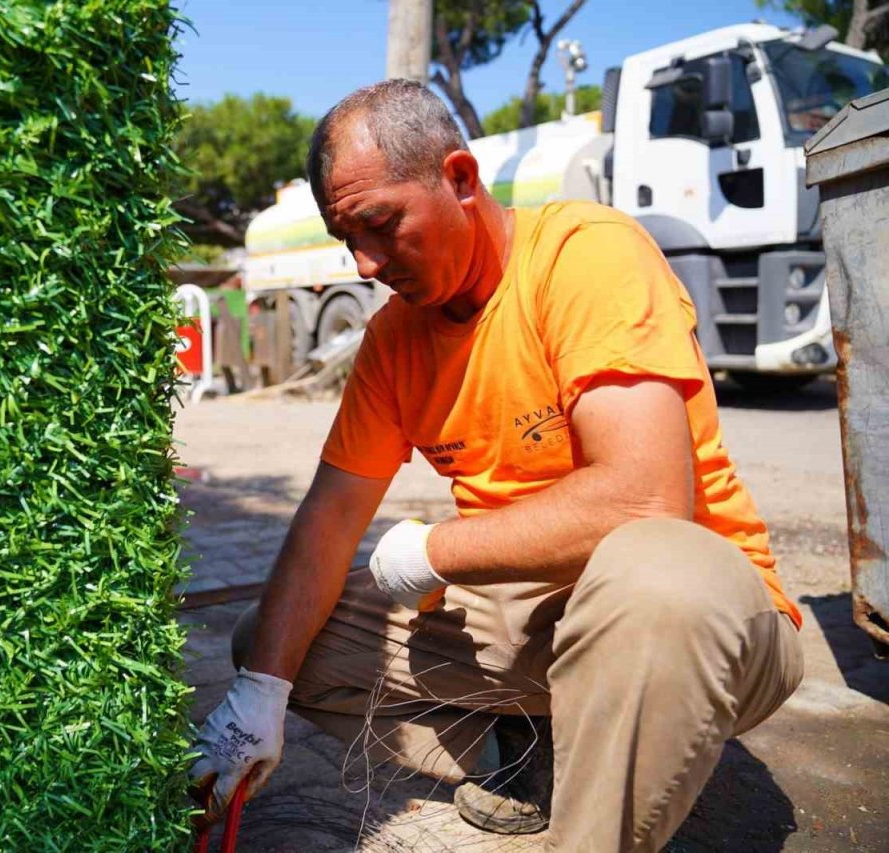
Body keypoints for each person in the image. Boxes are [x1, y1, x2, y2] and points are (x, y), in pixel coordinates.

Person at [187, 80, 803, 851]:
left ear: (460, 178)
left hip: (701, 612)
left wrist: (433, 550)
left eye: (380, 225)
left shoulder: (585, 256)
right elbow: (329, 518)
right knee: (271, 641)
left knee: (652, 577)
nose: (367, 263)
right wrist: (257, 695)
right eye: (349, 240)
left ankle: (601, 813)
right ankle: (535, 754)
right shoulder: (394, 340)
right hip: (536, 618)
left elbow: (647, 499)